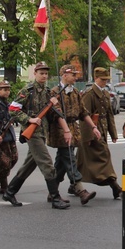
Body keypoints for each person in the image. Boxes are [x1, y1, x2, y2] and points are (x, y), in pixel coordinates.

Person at [2, 61, 69, 209]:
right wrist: (29, 119)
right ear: (35, 74)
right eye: (41, 73)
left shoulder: (47, 92)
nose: (44, 76)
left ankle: (10, 191)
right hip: (33, 134)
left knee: (28, 165)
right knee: (47, 164)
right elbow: (13, 109)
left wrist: (53, 104)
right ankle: (55, 198)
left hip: (42, 132)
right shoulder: (28, 90)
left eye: (46, 73)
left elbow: (50, 115)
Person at [48, 65, 97, 206]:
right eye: (73, 75)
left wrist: (93, 127)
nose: (76, 78)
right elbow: (55, 114)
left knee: (61, 163)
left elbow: (83, 112)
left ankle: (53, 192)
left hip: (73, 130)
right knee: (69, 159)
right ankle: (81, 191)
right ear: (64, 75)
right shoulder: (55, 92)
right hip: (60, 131)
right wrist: (66, 131)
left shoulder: (75, 92)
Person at [78, 67, 123, 199]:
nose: (105, 82)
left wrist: (113, 133)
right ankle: (115, 186)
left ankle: (72, 184)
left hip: (101, 131)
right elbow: (83, 116)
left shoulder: (106, 94)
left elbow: (109, 115)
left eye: (106, 80)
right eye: (102, 79)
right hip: (93, 132)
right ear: (95, 78)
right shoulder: (89, 94)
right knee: (104, 158)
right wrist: (87, 136)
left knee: (78, 161)